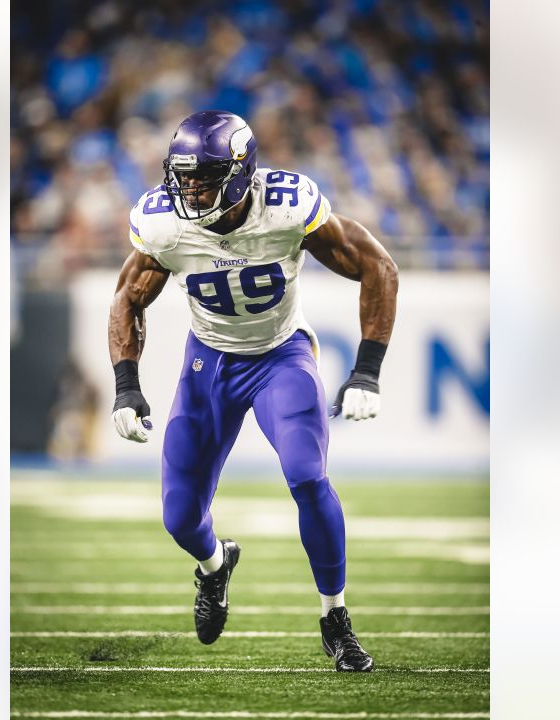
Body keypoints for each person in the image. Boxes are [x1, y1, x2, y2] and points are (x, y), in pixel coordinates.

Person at [107, 110, 398, 672]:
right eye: (183, 176)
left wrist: (367, 370)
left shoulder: (286, 207)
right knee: (180, 518)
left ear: (242, 173)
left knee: (308, 476)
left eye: (205, 176)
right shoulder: (163, 222)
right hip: (208, 363)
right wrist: (125, 384)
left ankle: (335, 618)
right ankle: (216, 566)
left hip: (279, 356)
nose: (190, 188)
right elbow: (127, 296)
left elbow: (377, 266)